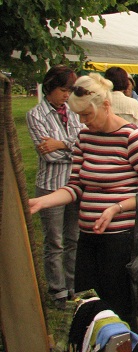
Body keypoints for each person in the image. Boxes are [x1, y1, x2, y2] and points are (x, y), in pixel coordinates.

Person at [29, 73, 138, 337]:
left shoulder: (132, 139)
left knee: (119, 309)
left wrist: (116, 208)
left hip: (121, 241)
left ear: (105, 105)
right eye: (79, 116)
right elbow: (76, 186)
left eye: (87, 115)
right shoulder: (85, 138)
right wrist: (42, 201)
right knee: (88, 305)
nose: (83, 122)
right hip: (88, 238)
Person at [26, 65, 83, 309]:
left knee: (74, 238)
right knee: (54, 241)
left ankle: (73, 286)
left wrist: (60, 143)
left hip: (74, 184)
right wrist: (72, 148)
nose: (66, 95)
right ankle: (57, 290)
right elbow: (48, 155)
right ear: (50, 87)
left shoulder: (73, 111)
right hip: (51, 186)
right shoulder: (35, 115)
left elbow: (84, 142)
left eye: (69, 91)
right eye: (63, 90)